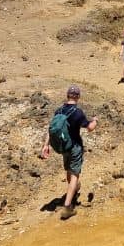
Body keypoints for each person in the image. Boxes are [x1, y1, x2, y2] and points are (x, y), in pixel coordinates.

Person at [40, 84, 98, 220]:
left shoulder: (59, 111)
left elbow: (51, 129)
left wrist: (46, 145)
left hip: (63, 147)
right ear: (78, 96)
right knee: (75, 175)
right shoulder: (77, 112)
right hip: (75, 147)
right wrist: (95, 120)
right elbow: (89, 128)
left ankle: (74, 190)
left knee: (69, 171)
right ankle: (67, 207)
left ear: (67, 96)